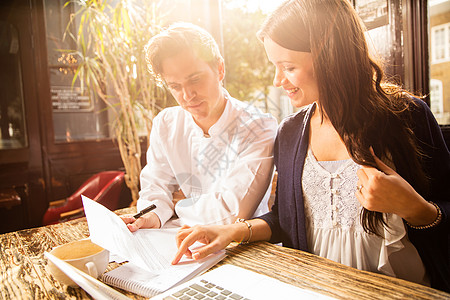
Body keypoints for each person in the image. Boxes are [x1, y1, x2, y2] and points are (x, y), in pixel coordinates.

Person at [171, 0, 450, 292]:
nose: (278, 80)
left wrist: (416, 209)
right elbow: (284, 219)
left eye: (288, 67)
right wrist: (231, 231)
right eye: (275, 67)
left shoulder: (407, 116)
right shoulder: (290, 133)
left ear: (331, 55)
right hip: (315, 290)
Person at [121, 23, 278, 231]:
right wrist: (150, 216)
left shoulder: (259, 126)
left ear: (220, 69)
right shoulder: (166, 123)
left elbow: (232, 212)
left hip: (244, 246)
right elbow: (156, 187)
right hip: (177, 237)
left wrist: (176, 206)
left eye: (195, 80)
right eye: (175, 87)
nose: (187, 96)